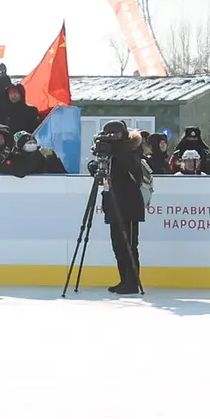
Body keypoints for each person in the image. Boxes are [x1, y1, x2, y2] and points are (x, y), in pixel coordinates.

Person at [91, 121, 148, 295]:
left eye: (114, 135)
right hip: (113, 203)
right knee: (118, 245)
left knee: (129, 245)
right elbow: (104, 174)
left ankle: (132, 282)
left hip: (129, 204)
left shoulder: (132, 149)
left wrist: (114, 151)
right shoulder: (109, 152)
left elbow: (131, 167)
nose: (111, 139)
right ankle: (124, 279)